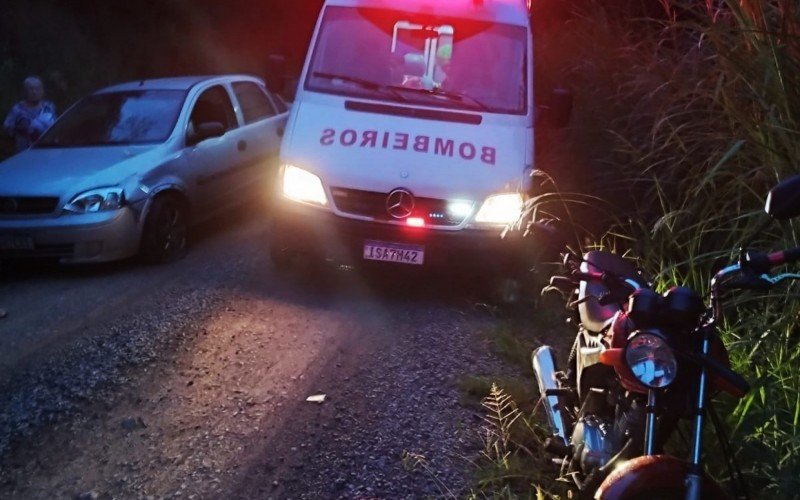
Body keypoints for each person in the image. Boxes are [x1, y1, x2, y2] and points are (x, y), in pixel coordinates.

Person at [3, 76, 57, 152]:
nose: (34, 92)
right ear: (25, 91)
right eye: (31, 89)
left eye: (37, 89)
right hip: (25, 152)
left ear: (42, 91)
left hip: (47, 151)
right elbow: (7, 129)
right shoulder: (17, 109)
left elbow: (56, 126)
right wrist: (22, 130)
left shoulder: (49, 107)